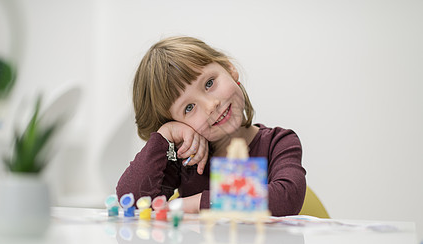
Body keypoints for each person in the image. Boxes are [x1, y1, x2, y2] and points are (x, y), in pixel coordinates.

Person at [116, 36, 306, 215]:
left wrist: (193, 204)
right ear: (177, 122)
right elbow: (131, 201)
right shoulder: (186, 160)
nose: (211, 105)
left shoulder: (279, 142)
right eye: (189, 108)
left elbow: (286, 198)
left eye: (209, 83)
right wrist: (165, 135)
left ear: (229, 69)